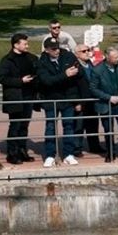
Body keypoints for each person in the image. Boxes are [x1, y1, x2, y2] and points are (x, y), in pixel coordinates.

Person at [35, 37, 83, 167]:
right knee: (50, 127)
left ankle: (68, 154)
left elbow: (80, 74)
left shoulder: (67, 56)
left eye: (57, 47)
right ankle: (50, 155)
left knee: (69, 126)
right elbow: (46, 81)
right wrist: (65, 75)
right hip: (51, 100)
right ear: (46, 50)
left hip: (67, 98)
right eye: (53, 49)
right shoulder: (41, 62)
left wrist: (76, 73)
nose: (57, 50)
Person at [0, 33, 38, 166]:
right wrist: (20, 81)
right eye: (24, 43)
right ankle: (12, 153)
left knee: (24, 125)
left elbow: (38, 71)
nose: (27, 45)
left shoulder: (31, 58)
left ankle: (22, 150)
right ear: (16, 45)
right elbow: (2, 78)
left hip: (28, 96)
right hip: (15, 97)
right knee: (15, 126)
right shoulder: (7, 60)